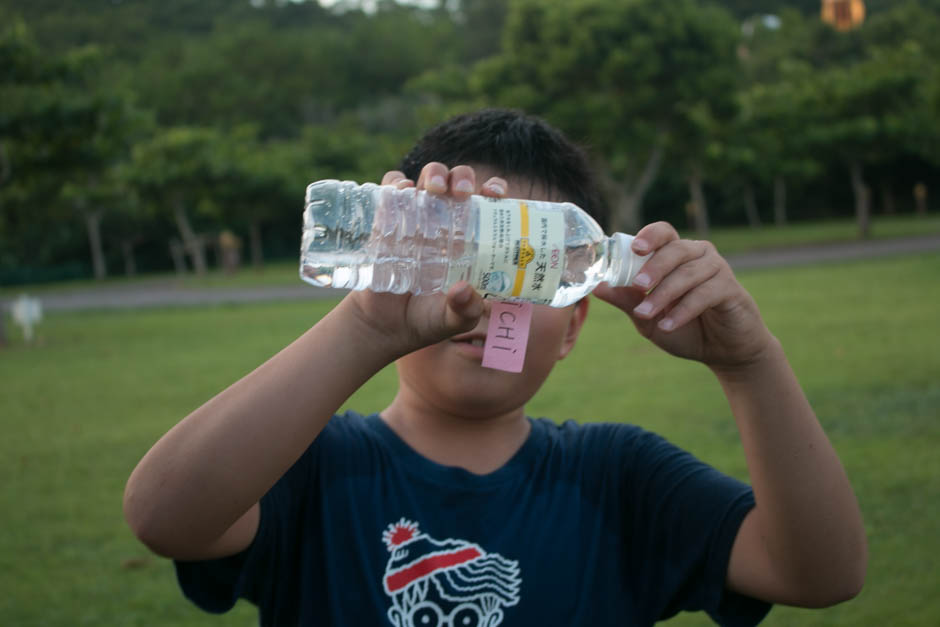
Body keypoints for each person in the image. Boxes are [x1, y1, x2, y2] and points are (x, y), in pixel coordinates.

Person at [124, 109, 867, 626]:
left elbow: (820, 574)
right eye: (458, 254)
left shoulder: (619, 478)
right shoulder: (311, 464)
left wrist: (751, 365)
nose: (481, 298)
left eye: (526, 269)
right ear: (397, 255)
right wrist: (363, 326)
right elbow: (162, 516)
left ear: (574, 321)